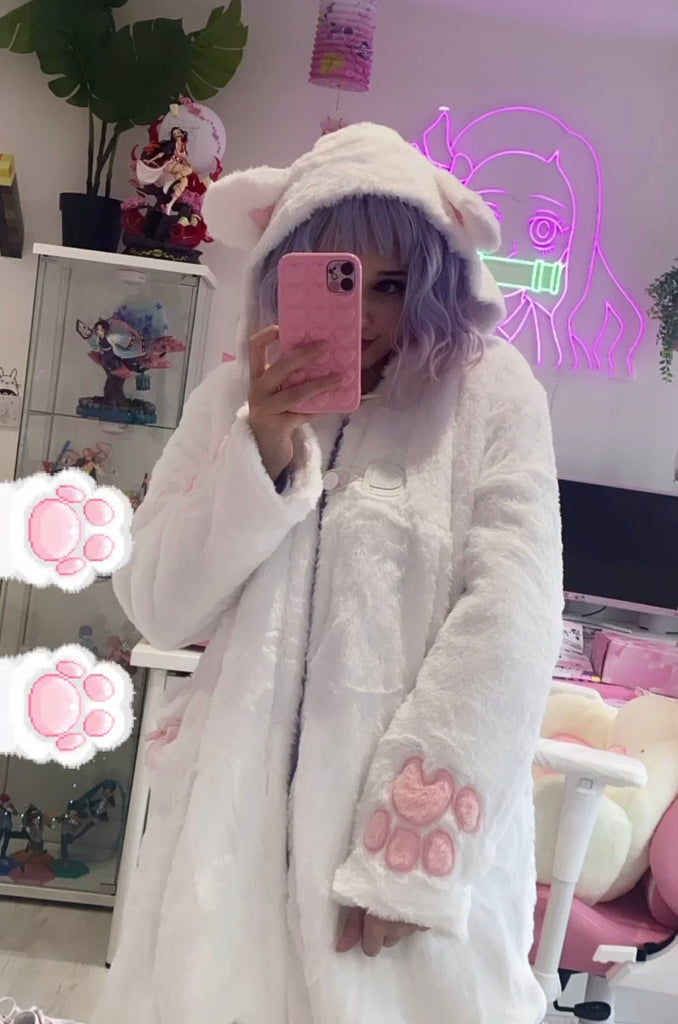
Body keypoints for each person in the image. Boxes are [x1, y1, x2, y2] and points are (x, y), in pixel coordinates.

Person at [93, 123, 563, 1024]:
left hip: (388, 893)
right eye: (338, 277)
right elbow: (156, 604)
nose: (368, 313)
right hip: (228, 868)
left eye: (393, 283)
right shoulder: (230, 401)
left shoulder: (490, 396)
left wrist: (411, 856)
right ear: (286, 271)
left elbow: (513, 619)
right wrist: (263, 448)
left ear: (437, 275)